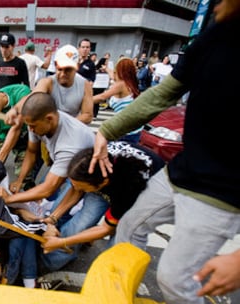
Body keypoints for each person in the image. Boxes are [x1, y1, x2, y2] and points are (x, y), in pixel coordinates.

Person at [89, 1, 240, 302]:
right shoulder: (214, 35)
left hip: (221, 195)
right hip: (178, 173)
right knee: (128, 231)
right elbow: (163, 93)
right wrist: (106, 131)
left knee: (174, 281)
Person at [0, 92, 103, 284]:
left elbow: (49, 188)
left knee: (75, 227)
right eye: (28, 125)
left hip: (96, 180)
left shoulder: (71, 142)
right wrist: (20, 182)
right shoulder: (37, 121)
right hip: (72, 170)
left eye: (33, 126)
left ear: (50, 119)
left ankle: (43, 266)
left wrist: (10, 199)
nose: (30, 129)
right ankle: (56, 239)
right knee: (50, 215)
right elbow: (31, 151)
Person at [41, 144, 164, 262]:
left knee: (118, 244)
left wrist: (62, 242)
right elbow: (76, 189)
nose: (77, 189)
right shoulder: (91, 162)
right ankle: (49, 264)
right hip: (110, 180)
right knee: (81, 223)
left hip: (142, 197)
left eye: (82, 188)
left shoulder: (128, 189)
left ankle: (110, 275)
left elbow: (106, 229)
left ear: (102, 184)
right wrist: (53, 218)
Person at [6, 44, 94, 126]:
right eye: (60, 69)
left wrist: (63, 125)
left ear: (77, 66)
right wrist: (15, 109)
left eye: (68, 70)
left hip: (71, 128)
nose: (63, 74)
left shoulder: (84, 85)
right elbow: (32, 97)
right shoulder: (48, 82)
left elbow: (88, 115)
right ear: (55, 65)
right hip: (47, 129)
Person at [92, 57, 142, 143]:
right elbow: (112, 76)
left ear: (120, 70)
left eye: (116, 67)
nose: (114, 70)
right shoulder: (130, 82)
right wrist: (106, 68)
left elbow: (102, 97)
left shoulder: (121, 85)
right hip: (133, 131)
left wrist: (82, 100)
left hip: (125, 133)